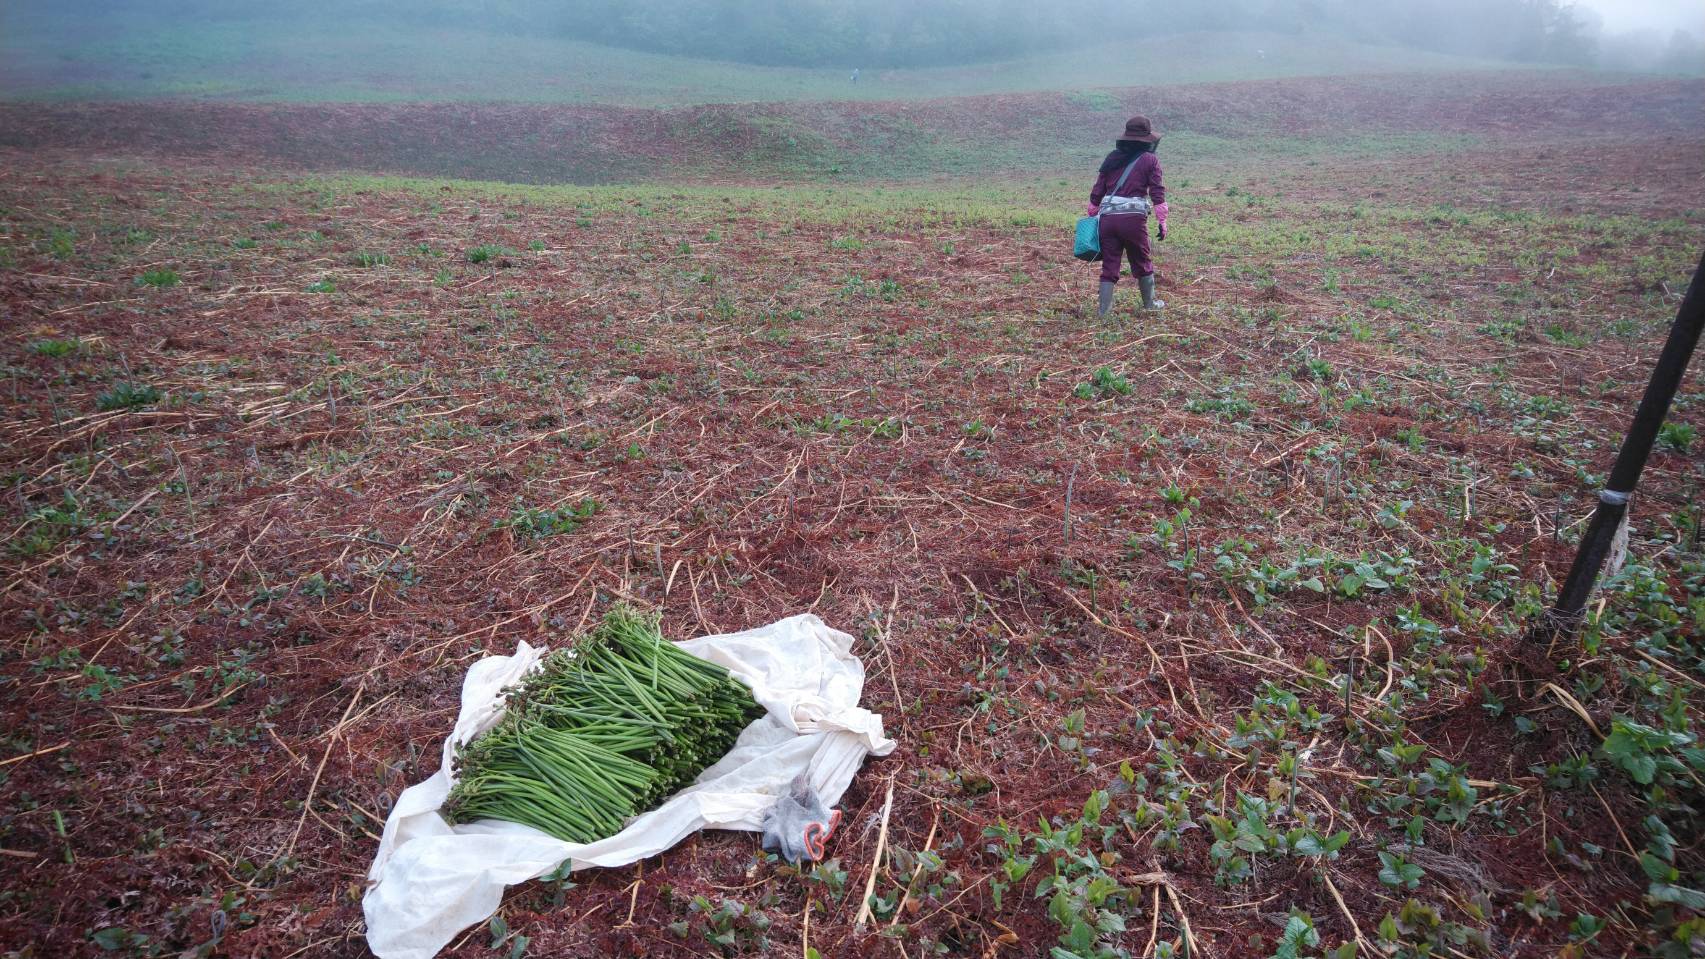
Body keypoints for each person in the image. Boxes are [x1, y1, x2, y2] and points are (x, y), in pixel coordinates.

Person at [1087, 116, 1169, 315]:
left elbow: (1097, 192)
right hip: (1133, 221)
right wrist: (1162, 221)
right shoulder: (1150, 160)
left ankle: (1103, 312)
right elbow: (1157, 192)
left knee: (1110, 264)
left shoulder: (1112, 158)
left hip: (1107, 219)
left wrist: (1092, 213)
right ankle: (1149, 305)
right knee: (1141, 260)